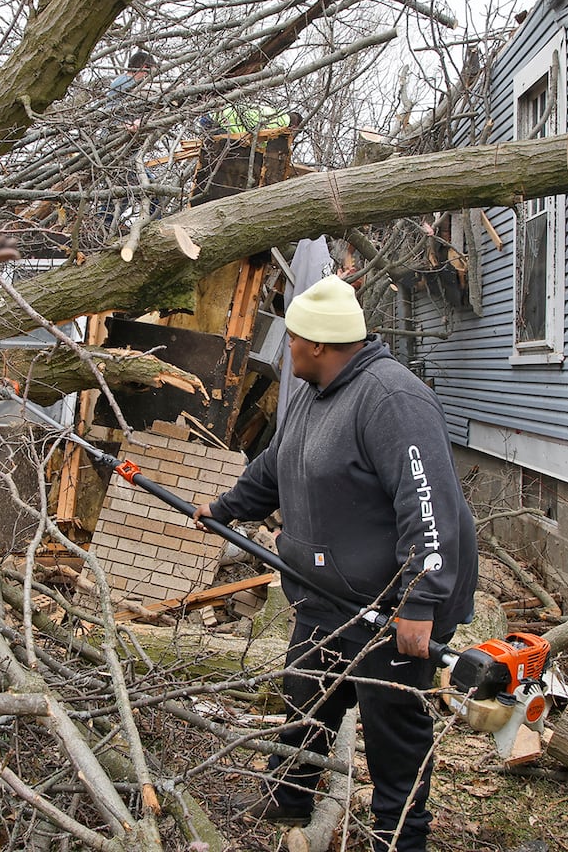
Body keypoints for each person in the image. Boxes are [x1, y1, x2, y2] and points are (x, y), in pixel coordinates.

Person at [193, 274, 478, 852]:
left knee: (392, 728)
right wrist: (226, 509)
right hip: (323, 596)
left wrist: (418, 601)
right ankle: (289, 799)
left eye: (293, 337)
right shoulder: (309, 394)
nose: (287, 347)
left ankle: (399, 836)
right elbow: (277, 465)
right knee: (306, 699)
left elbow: (427, 503)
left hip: (388, 607)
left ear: (318, 344)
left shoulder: (392, 400)